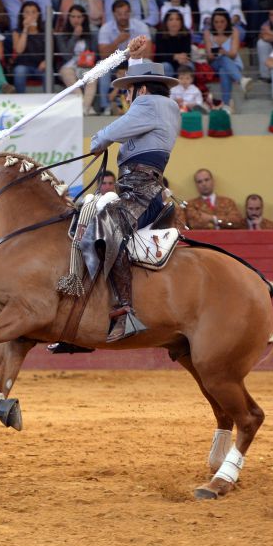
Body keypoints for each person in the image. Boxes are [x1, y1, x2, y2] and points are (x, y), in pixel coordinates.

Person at [87, 36, 177, 341]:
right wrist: (134, 59)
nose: (126, 97)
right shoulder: (159, 106)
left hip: (141, 192)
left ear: (143, 90)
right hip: (144, 188)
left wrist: (97, 142)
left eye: (129, 90)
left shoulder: (150, 105)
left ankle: (125, 310)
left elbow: (109, 134)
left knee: (106, 227)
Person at [54, 3, 98, 113]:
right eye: (73, 17)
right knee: (68, 73)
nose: (76, 20)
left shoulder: (91, 35)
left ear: (84, 18)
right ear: (68, 18)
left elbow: (95, 54)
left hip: (86, 66)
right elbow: (66, 56)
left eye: (79, 17)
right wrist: (74, 36)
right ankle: (85, 107)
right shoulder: (61, 35)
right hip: (68, 65)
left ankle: (84, 108)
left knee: (93, 77)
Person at [203, 8, 249, 111]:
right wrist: (218, 53)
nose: (219, 24)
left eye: (222, 21)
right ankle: (241, 80)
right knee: (222, 59)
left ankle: (226, 105)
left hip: (234, 64)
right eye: (216, 22)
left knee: (223, 70)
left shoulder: (234, 31)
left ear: (227, 21)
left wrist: (224, 52)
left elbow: (233, 54)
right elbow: (209, 56)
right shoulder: (208, 32)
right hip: (215, 64)